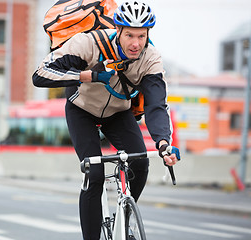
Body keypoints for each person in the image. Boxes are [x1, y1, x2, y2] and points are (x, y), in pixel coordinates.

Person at [32, 1, 179, 239]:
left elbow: (156, 105)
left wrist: (163, 143)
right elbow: (40, 75)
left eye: (142, 36)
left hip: (118, 113)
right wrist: (87, 75)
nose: (135, 43)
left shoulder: (151, 58)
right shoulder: (89, 42)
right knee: (95, 173)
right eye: (129, 35)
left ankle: (125, 218)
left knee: (140, 164)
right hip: (81, 110)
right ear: (118, 30)